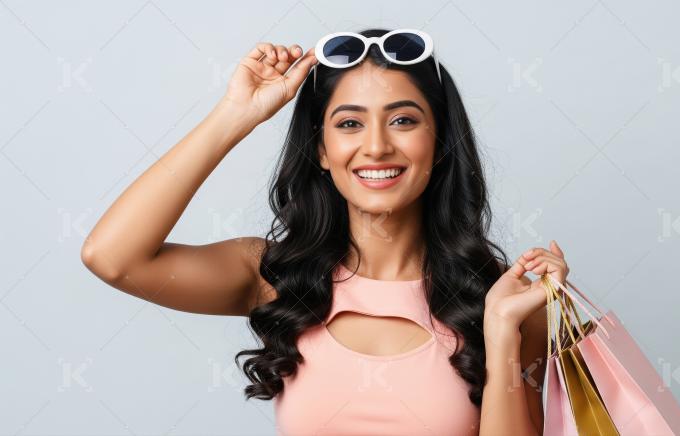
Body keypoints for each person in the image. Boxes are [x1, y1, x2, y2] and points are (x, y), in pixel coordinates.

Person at [81, 27, 570, 435]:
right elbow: (113, 258)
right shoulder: (274, 277)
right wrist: (236, 114)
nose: (376, 146)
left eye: (403, 120)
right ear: (320, 149)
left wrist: (501, 334)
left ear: (440, 142)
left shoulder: (505, 304)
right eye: (349, 123)